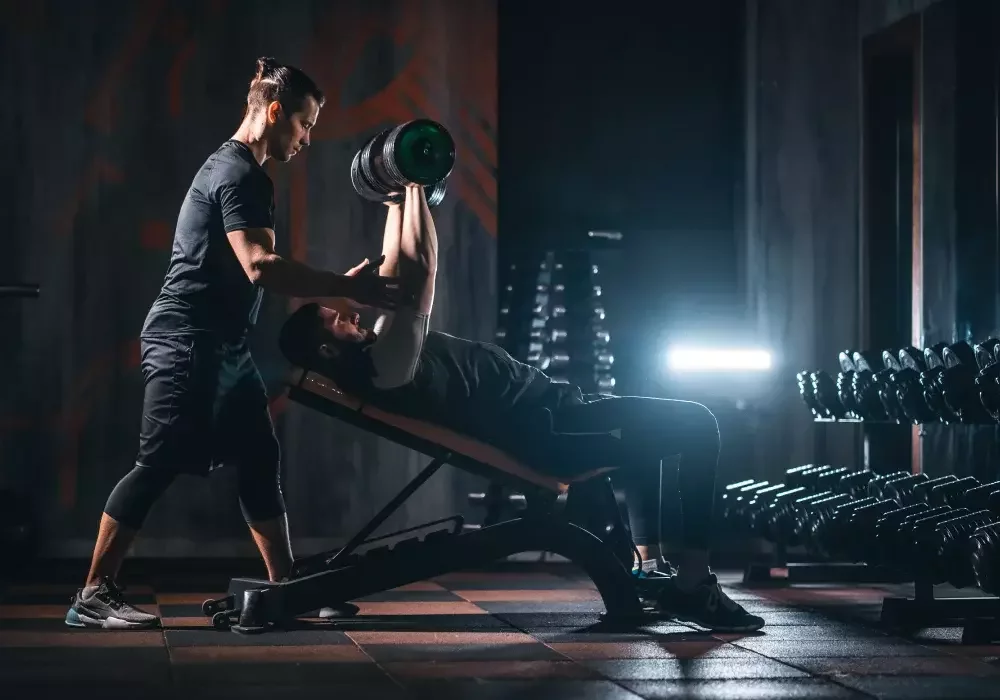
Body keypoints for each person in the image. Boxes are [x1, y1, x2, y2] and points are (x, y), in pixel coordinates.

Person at [278, 185, 766, 633]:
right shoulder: (385, 365)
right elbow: (421, 270)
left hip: (559, 412)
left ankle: (650, 569)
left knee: (654, 429)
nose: (349, 312)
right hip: (552, 432)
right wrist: (416, 189)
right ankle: (695, 585)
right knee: (699, 425)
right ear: (325, 351)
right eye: (335, 319)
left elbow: (393, 271)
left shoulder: (377, 355)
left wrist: (393, 199)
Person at [66, 57, 409, 630]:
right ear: (275, 112)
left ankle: (287, 586)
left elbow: (257, 268)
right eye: (305, 122)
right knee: (157, 463)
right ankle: (93, 593)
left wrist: (335, 290)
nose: (306, 137)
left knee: (258, 455)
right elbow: (260, 265)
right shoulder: (242, 174)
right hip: (186, 340)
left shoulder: (238, 171)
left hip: (221, 346)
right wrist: (341, 288)